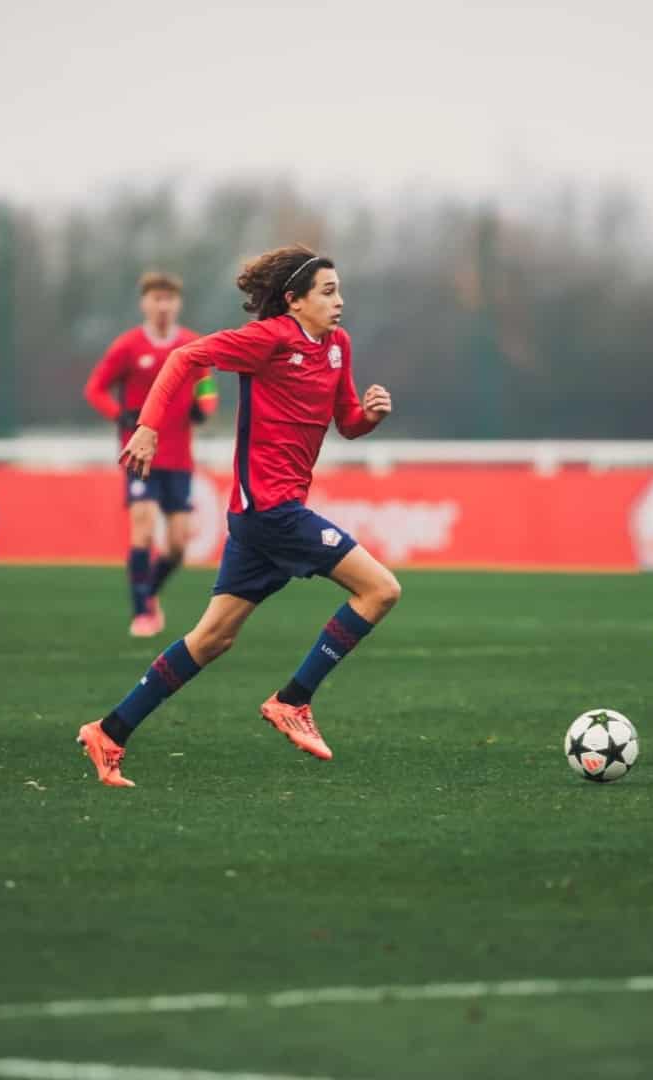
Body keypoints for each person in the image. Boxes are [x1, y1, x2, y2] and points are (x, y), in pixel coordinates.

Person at [76, 245, 396, 787]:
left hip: (264, 517)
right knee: (380, 590)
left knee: (211, 639)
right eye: (328, 291)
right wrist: (147, 426)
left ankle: (109, 731)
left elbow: (345, 420)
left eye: (339, 290)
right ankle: (293, 700)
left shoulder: (337, 346)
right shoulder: (268, 339)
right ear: (294, 301)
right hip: (271, 511)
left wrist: (369, 415)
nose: (339, 301)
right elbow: (185, 359)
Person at [83, 271, 218, 636]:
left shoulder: (192, 344)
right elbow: (95, 389)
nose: (163, 305)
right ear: (144, 303)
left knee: (176, 546)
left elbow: (206, 383)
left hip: (178, 457)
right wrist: (120, 415)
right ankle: (142, 612)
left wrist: (204, 406)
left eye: (169, 299)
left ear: (178, 303)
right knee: (142, 527)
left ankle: (149, 590)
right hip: (140, 455)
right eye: (156, 299)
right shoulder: (128, 347)